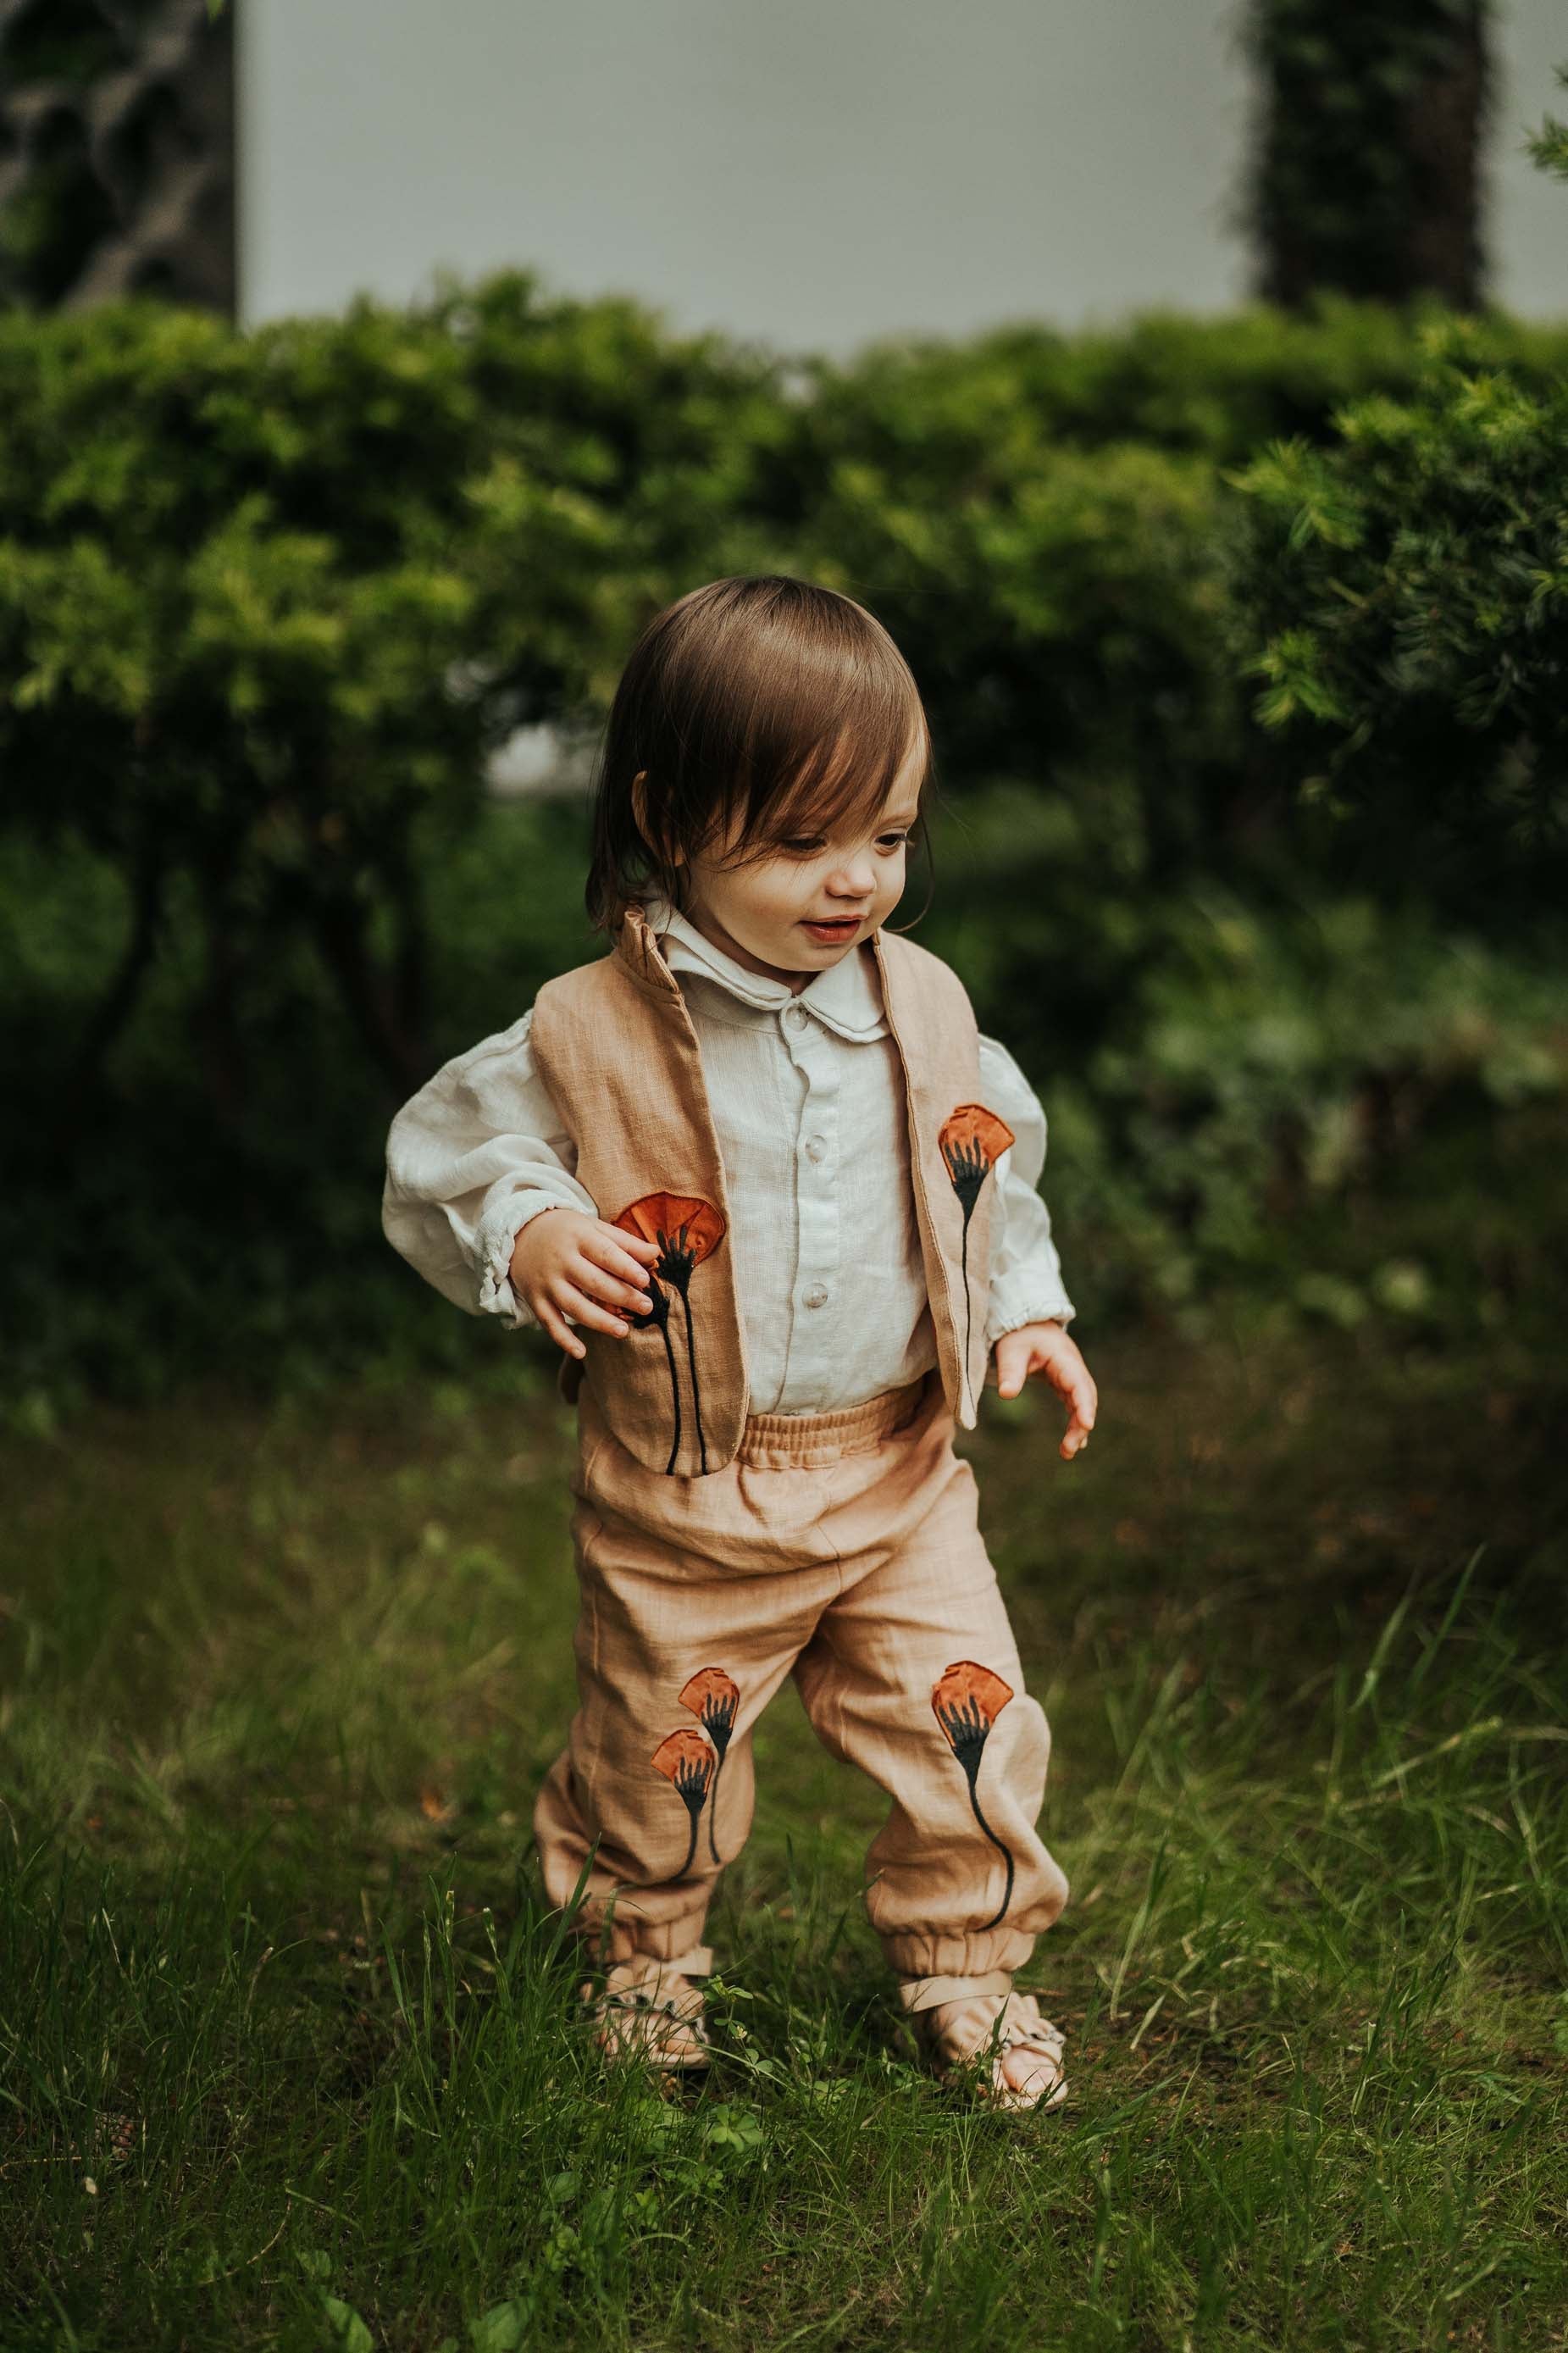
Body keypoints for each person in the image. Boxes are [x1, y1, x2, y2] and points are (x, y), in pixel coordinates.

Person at [380, 575, 1098, 2113]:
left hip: (898, 1469)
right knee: (662, 1754)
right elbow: (448, 1155)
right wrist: (533, 1229)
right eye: (800, 840)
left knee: (967, 1720)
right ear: (667, 814)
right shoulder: (588, 1028)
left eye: (889, 837)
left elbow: (989, 1159)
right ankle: (642, 1953)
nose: (855, 881)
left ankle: (966, 1961)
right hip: (687, 1488)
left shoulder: (927, 1005)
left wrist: (1027, 1309)